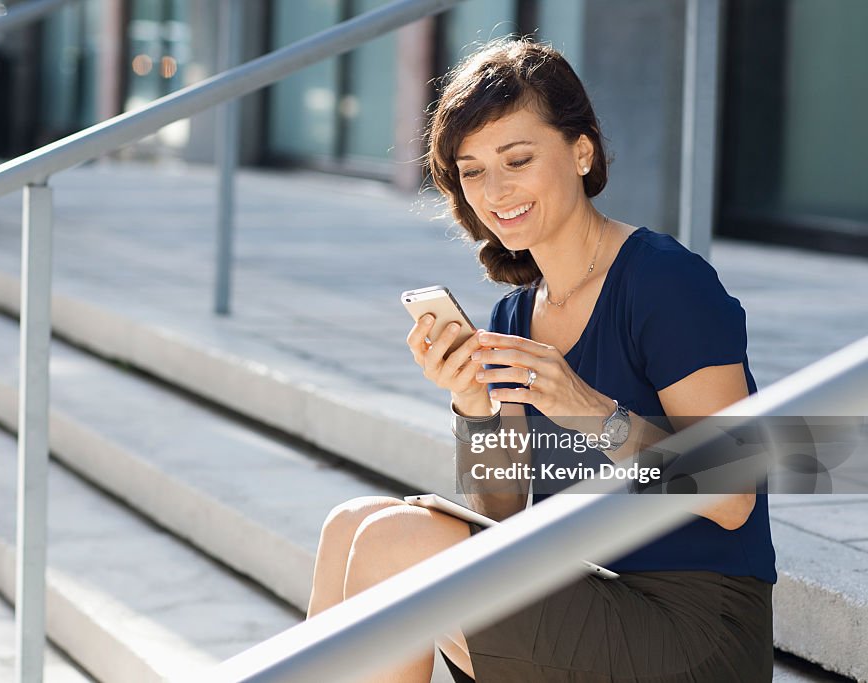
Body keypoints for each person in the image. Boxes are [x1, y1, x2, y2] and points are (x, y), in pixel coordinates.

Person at [304, 38, 775, 682]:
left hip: (692, 625)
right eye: (471, 171)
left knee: (396, 543)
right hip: (580, 588)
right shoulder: (515, 315)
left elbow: (733, 497)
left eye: (517, 159)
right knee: (351, 523)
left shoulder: (666, 283)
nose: (495, 191)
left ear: (581, 152)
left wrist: (591, 412)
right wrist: (471, 407)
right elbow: (500, 513)